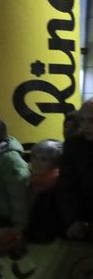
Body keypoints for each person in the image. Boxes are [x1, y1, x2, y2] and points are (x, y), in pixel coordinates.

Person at [58, 99, 93, 241]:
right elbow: (67, 186)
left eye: (91, 121)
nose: (85, 127)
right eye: (82, 120)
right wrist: (74, 219)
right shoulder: (74, 145)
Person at [25, 139, 64, 244]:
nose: (35, 162)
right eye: (34, 157)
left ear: (55, 163)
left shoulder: (58, 185)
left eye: (43, 159)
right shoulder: (33, 180)